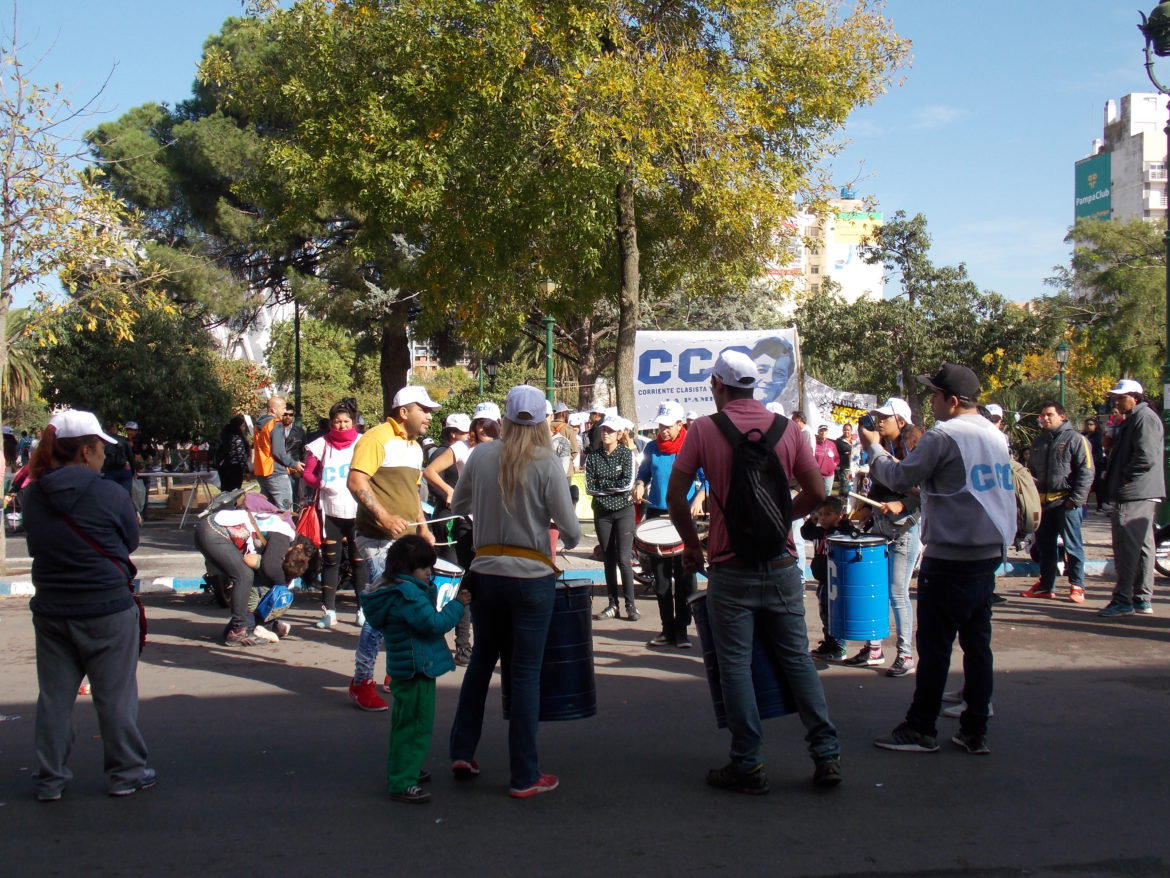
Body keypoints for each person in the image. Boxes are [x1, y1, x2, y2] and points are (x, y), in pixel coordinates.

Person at [667, 350, 840, 794]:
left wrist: (691, 547)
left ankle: (748, 764)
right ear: (754, 386)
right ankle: (826, 753)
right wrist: (782, 518)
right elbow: (818, 492)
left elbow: (675, 497)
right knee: (797, 659)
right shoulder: (789, 430)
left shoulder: (704, 429)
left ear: (717, 386)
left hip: (730, 566)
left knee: (736, 667)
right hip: (782, 563)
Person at [863, 363, 1015, 756]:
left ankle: (920, 728)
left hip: (951, 555)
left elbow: (899, 477)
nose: (930, 402)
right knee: (978, 644)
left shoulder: (945, 434)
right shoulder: (992, 434)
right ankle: (975, 728)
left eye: (934, 395)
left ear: (951, 400)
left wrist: (873, 447)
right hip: (985, 553)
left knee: (935, 647)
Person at [448, 385, 581, 799]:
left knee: (481, 662)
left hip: (486, 570)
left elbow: (457, 502)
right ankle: (524, 774)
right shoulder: (546, 462)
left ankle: (462, 751)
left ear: (504, 418)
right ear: (541, 420)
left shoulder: (482, 455)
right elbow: (573, 532)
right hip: (531, 576)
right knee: (524, 675)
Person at [23, 410, 155, 800]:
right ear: (85, 451)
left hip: (52, 607)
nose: (103, 457)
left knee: (54, 698)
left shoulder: (34, 494)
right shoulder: (110, 493)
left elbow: (35, 545)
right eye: (100, 449)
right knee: (114, 696)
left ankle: (50, 779)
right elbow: (129, 541)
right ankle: (127, 773)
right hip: (107, 607)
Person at [345, 386, 440, 711]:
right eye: (423, 409)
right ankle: (361, 681)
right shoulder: (376, 437)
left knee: (406, 602)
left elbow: (414, 493)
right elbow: (356, 481)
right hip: (376, 537)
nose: (429, 415)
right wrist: (384, 517)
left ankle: (394, 671)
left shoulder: (415, 448)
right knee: (382, 606)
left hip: (406, 538)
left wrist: (424, 528)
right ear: (404, 411)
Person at [360, 535, 469, 804]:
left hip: (404, 667)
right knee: (416, 727)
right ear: (410, 569)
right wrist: (458, 605)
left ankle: (405, 769)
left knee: (404, 724)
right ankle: (402, 781)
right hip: (417, 667)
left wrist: (427, 587)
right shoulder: (408, 596)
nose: (429, 573)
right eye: (425, 569)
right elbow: (434, 623)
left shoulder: (393, 590)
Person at [841, 398, 922, 676]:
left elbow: (927, 492)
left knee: (897, 593)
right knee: (875, 589)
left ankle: (905, 654)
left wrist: (903, 505)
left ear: (900, 419)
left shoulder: (917, 447)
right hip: (881, 525)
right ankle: (873, 647)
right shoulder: (883, 448)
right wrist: (865, 508)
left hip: (905, 529)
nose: (880, 421)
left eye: (885, 417)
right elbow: (879, 486)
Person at [424, 403, 500, 666]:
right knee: (466, 584)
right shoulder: (461, 447)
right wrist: (450, 491)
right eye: (479, 423)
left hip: (496, 525)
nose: (484, 429)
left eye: (490, 424)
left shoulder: (506, 448)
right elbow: (429, 471)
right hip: (467, 523)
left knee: (491, 585)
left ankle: (488, 644)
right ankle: (463, 647)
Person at [195, 493, 315, 645]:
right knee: (243, 576)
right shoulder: (285, 534)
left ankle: (250, 626)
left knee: (248, 576)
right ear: (299, 546)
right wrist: (283, 586)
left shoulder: (283, 531)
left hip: (210, 529)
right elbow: (270, 567)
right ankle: (238, 631)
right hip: (214, 531)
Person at [634, 400, 704, 648]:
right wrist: (640, 484)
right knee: (661, 578)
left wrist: (699, 497)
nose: (662, 430)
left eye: (667, 425)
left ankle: (683, 629)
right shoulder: (652, 448)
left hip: (682, 515)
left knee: (684, 575)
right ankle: (667, 629)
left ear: (679, 424)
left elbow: (706, 478)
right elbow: (643, 472)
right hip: (656, 515)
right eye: (660, 425)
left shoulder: (691, 446)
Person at [1098, 379, 1166, 617]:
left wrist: (1125, 478)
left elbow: (1146, 457)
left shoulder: (1143, 418)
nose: (1116, 401)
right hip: (1141, 491)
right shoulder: (1138, 419)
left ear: (1134, 397)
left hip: (1135, 492)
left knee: (1127, 547)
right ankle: (1140, 598)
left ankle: (1124, 599)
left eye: (1120, 397)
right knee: (1143, 547)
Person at [1019, 402, 1092, 604]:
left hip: (1065, 503)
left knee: (1072, 546)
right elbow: (1031, 471)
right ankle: (1046, 586)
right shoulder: (1038, 442)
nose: (1045, 419)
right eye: (1042, 416)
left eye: (1050, 415)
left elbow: (1086, 471)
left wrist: (1075, 500)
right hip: (1043, 504)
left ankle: (1077, 585)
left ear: (1062, 416)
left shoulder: (1076, 439)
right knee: (1045, 547)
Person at [303, 398, 366, 629]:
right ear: (331, 423)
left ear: (354, 422)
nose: (341, 425)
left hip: (358, 511)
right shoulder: (320, 445)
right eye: (337, 421)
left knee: (359, 561)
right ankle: (329, 611)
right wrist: (321, 483)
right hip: (330, 510)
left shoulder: (363, 443)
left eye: (346, 421)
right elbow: (307, 474)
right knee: (331, 561)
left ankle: (362, 610)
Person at [586, 413, 639, 622]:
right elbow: (590, 487)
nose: (605, 433)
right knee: (607, 558)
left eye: (609, 430)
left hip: (624, 511)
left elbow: (627, 484)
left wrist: (604, 486)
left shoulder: (627, 455)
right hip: (602, 513)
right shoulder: (593, 456)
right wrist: (612, 488)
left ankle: (630, 605)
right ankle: (612, 604)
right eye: (603, 430)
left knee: (624, 559)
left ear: (619, 434)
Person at [803, 496, 854, 662]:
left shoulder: (840, 532)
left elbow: (854, 534)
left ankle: (839, 645)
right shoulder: (818, 531)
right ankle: (829, 642)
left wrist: (844, 525)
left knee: (834, 613)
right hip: (823, 581)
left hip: (835, 581)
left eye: (828, 514)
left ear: (839, 516)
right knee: (824, 613)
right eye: (821, 514)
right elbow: (805, 533)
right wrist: (812, 520)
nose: (823, 518)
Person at [252, 396, 302, 510]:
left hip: (261, 471)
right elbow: (278, 452)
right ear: (274, 410)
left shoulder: (259, 425)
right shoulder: (276, 424)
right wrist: (294, 464)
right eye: (283, 408)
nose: (285, 412)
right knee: (286, 512)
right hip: (276, 473)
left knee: (267, 511)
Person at [748, 336, 795, 407]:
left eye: (779, 374)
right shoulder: (728, 416)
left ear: (786, 380)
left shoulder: (782, 417)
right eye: (762, 370)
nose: (769, 380)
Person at [215, 416, 250, 493]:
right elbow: (241, 457)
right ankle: (231, 505)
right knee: (234, 493)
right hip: (235, 469)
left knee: (225, 492)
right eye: (243, 426)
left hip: (223, 468)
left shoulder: (224, 438)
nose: (244, 429)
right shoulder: (237, 439)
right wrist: (246, 471)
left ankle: (226, 505)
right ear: (238, 426)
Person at [282, 406, 307, 503]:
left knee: (292, 498)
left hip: (294, 470)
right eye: (285, 414)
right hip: (278, 469)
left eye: (290, 414)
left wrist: (301, 471)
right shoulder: (275, 430)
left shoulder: (299, 432)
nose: (287, 417)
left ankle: (292, 518)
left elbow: (304, 451)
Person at [1082, 417, 1106, 512]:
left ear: (1095, 426)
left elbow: (1098, 450)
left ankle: (1100, 505)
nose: (1088, 426)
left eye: (1091, 424)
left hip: (1096, 463)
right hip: (1085, 463)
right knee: (1085, 484)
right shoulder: (1083, 435)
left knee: (1098, 485)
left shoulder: (1098, 436)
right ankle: (1083, 504)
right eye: (1087, 424)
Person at [101, 427, 135, 494]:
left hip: (109, 470)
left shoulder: (104, 441)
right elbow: (130, 456)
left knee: (110, 494)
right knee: (126, 494)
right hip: (124, 469)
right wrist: (133, 470)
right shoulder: (123, 440)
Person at [551, 403, 580, 472]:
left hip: (549, 468)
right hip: (565, 470)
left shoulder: (546, 427)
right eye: (567, 413)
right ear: (563, 414)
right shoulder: (568, 429)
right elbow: (574, 451)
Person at [813, 424, 840, 497]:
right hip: (817, 475)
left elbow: (837, 458)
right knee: (816, 494)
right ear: (818, 431)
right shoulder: (814, 443)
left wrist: (833, 466)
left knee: (827, 495)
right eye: (821, 431)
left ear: (827, 432)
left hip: (829, 475)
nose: (823, 433)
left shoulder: (832, 444)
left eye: (825, 431)